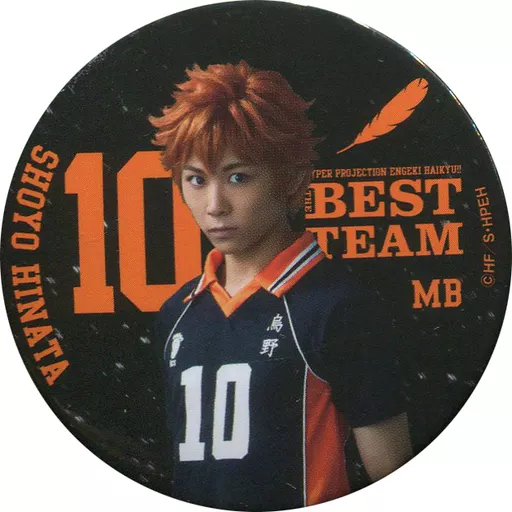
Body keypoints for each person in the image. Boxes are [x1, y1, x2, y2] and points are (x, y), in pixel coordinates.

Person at [151, 60, 412, 511]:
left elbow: (396, 479)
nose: (214, 205)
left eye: (238, 177)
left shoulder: (339, 308)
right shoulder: (176, 314)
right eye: (196, 179)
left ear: (291, 179)